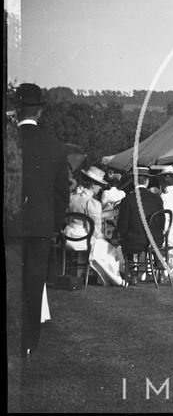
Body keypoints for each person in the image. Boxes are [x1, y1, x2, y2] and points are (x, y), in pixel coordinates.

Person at [16, 83, 70, 358]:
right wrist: (54, 224)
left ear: (16, 110)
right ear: (40, 112)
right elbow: (62, 194)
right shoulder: (55, 147)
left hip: (10, 224)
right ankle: (28, 342)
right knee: (34, 284)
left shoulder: (10, 140)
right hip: (40, 226)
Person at [64, 166, 128, 287]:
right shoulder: (93, 203)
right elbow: (95, 230)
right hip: (83, 239)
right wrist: (103, 237)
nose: (100, 188)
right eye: (99, 185)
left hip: (68, 236)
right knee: (110, 249)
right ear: (93, 185)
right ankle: (116, 279)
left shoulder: (71, 197)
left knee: (103, 246)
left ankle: (87, 275)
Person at [117, 166, 164, 284]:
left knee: (124, 240)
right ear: (147, 181)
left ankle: (133, 273)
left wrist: (121, 235)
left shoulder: (128, 199)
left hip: (135, 241)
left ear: (134, 181)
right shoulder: (157, 199)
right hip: (155, 240)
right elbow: (161, 222)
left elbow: (123, 224)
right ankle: (160, 268)